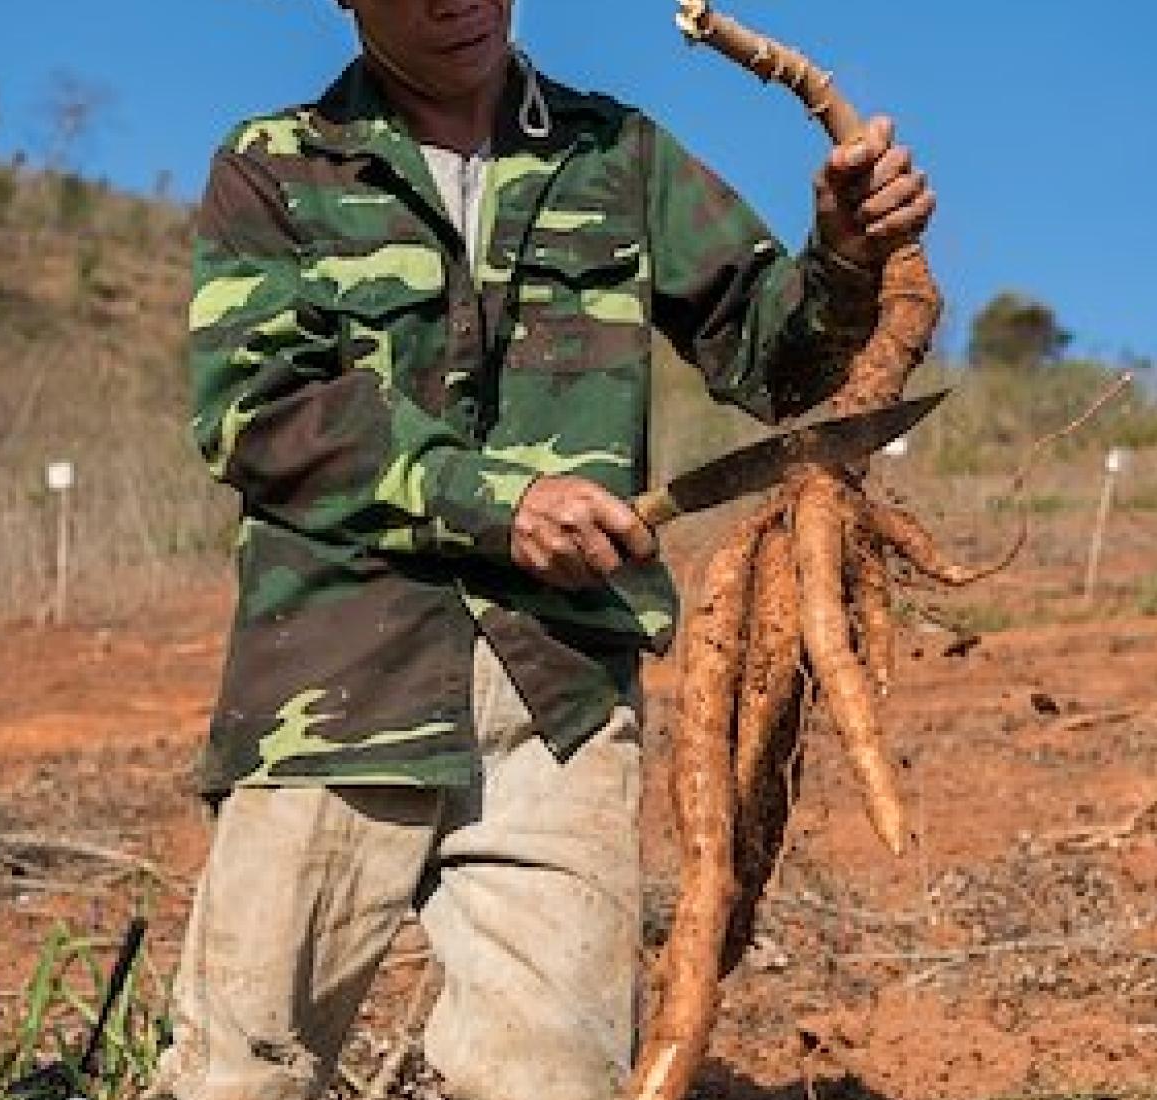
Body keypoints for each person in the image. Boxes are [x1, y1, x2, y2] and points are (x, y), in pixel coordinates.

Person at [148, 2, 934, 1098]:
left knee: (553, 1074)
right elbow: (255, 409)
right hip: (333, 691)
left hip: (555, 703)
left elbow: (783, 367)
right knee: (237, 1072)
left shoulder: (617, 155)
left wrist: (847, 258)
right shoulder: (277, 166)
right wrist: (496, 504)